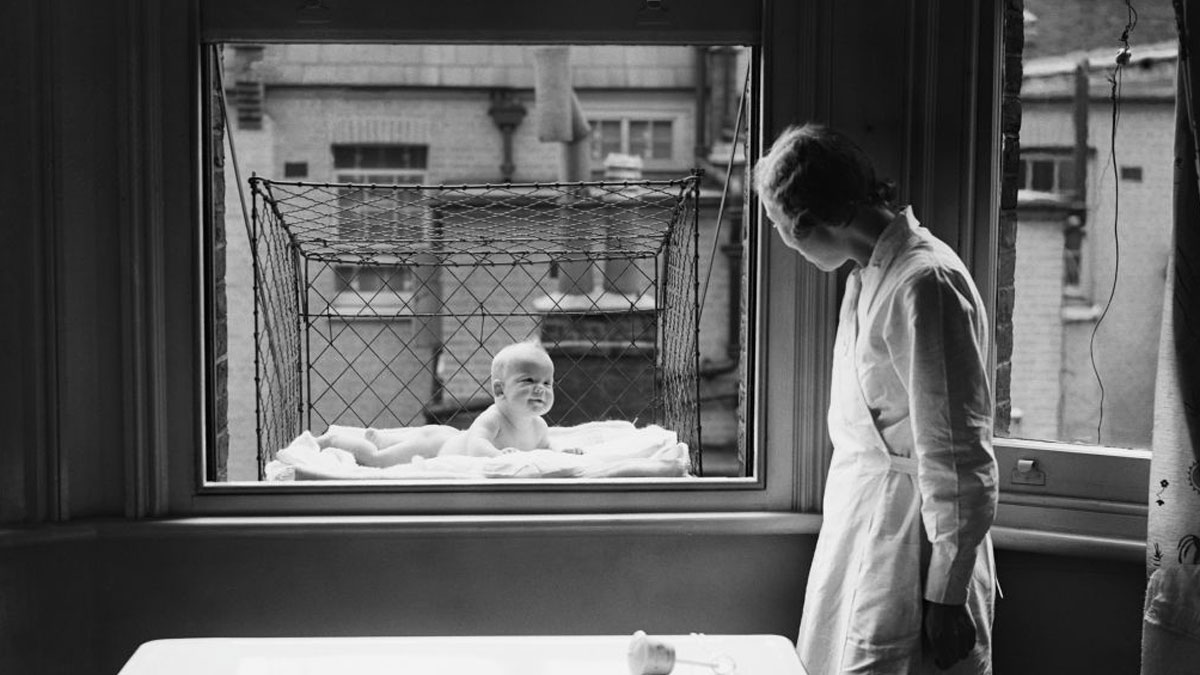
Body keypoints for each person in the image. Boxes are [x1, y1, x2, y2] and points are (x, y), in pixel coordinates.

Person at [753, 123, 998, 674]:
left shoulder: (924, 284)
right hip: (869, 521)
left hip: (913, 536)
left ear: (807, 219)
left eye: (777, 224)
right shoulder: (868, 277)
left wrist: (947, 592)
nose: (782, 238)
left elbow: (958, 452)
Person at [318, 340, 581, 466]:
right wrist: (498, 456)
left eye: (547, 383)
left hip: (449, 437)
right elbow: (478, 446)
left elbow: (546, 445)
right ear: (499, 390)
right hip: (436, 447)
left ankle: (382, 438)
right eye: (528, 380)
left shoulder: (539, 426)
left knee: (400, 441)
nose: (541, 389)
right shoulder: (493, 418)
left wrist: (561, 452)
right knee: (377, 460)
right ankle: (336, 439)